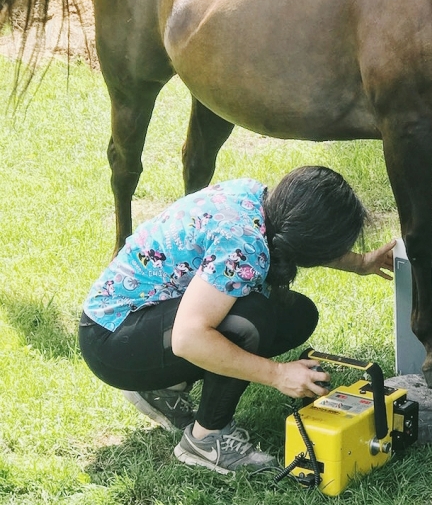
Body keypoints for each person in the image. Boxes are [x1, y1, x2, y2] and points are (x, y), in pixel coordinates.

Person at [78, 165, 395, 475]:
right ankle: (206, 441)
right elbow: (189, 337)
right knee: (250, 319)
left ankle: (164, 386)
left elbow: (295, 238)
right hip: (112, 341)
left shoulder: (259, 201)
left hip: (140, 324)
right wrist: (277, 374)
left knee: (296, 316)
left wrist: (359, 263)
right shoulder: (243, 247)